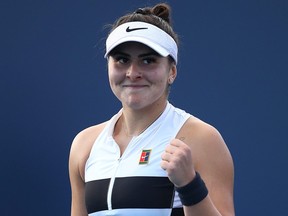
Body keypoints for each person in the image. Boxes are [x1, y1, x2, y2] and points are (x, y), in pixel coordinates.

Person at [69, 3, 235, 216]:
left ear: (172, 72)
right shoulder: (85, 145)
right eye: (122, 60)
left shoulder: (201, 139)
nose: (132, 72)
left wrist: (189, 185)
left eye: (148, 60)